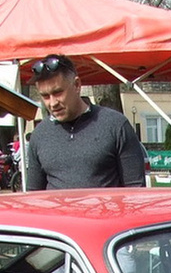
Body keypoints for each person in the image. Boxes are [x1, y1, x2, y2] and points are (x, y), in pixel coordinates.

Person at [23, 55, 146, 190]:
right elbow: (33, 196)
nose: (52, 103)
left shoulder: (116, 125)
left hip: (107, 211)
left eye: (58, 92)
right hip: (55, 211)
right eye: (45, 96)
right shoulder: (40, 134)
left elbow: (136, 191)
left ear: (76, 85)